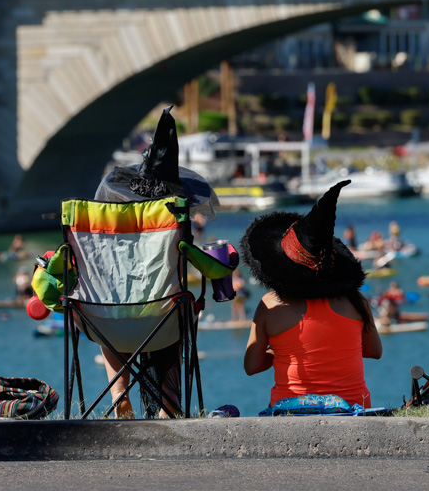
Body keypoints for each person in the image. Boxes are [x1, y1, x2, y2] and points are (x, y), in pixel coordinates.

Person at [92, 105, 220, 418]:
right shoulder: (172, 230)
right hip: (163, 321)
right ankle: (169, 404)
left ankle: (120, 396)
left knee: (110, 313)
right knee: (176, 308)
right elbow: (210, 268)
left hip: (106, 321)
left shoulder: (107, 237)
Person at [242, 180, 382, 409]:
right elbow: (374, 351)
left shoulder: (270, 305)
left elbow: (252, 365)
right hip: (353, 411)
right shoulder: (356, 302)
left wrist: (282, 353)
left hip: (291, 413)